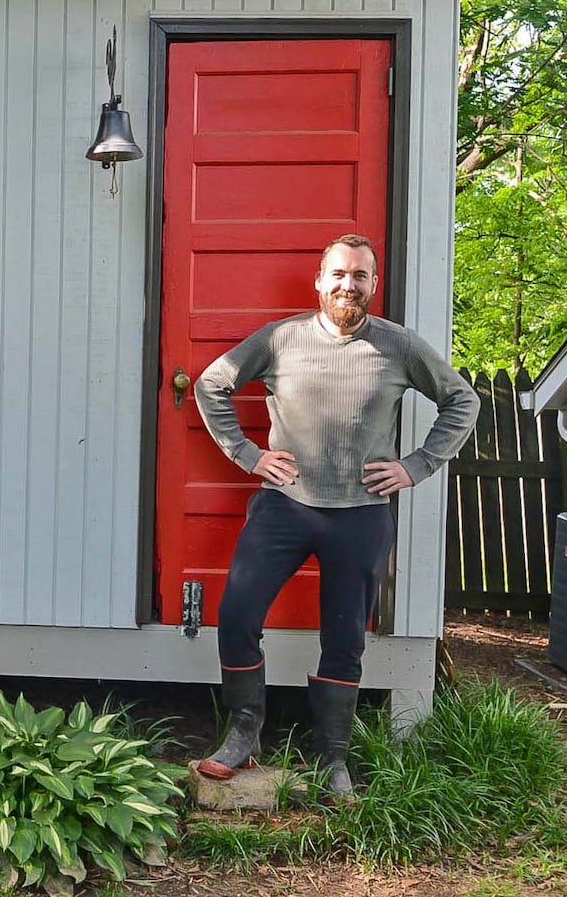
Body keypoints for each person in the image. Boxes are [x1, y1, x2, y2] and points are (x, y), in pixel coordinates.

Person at [191, 233, 478, 798]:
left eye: (361, 276)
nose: (350, 284)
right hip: (286, 506)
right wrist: (249, 455)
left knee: (345, 638)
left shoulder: (398, 346)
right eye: (340, 274)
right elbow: (211, 382)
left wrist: (417, 464)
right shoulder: (282, 338)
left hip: (362, 516)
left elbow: (461, 399)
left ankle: (333, 759)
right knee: (237, 614)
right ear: (320, 282)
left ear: (374, 284)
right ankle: (244, 735)